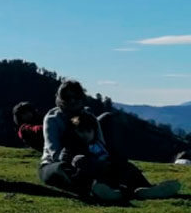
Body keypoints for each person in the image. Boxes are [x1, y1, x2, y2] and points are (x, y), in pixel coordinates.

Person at [38, 80, 180, 202]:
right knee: (63, 170)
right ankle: (102, 190)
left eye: (76, 96)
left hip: (91, 161)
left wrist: (104, 162)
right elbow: (54, 151)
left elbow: (100, 144)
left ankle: (146, 189)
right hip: (56, 164)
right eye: (67, 97)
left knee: (121, 165)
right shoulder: (53, 119)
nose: (72, 100)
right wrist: (76, 161)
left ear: (81, 97)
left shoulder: (89, 118)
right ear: (60, 99)